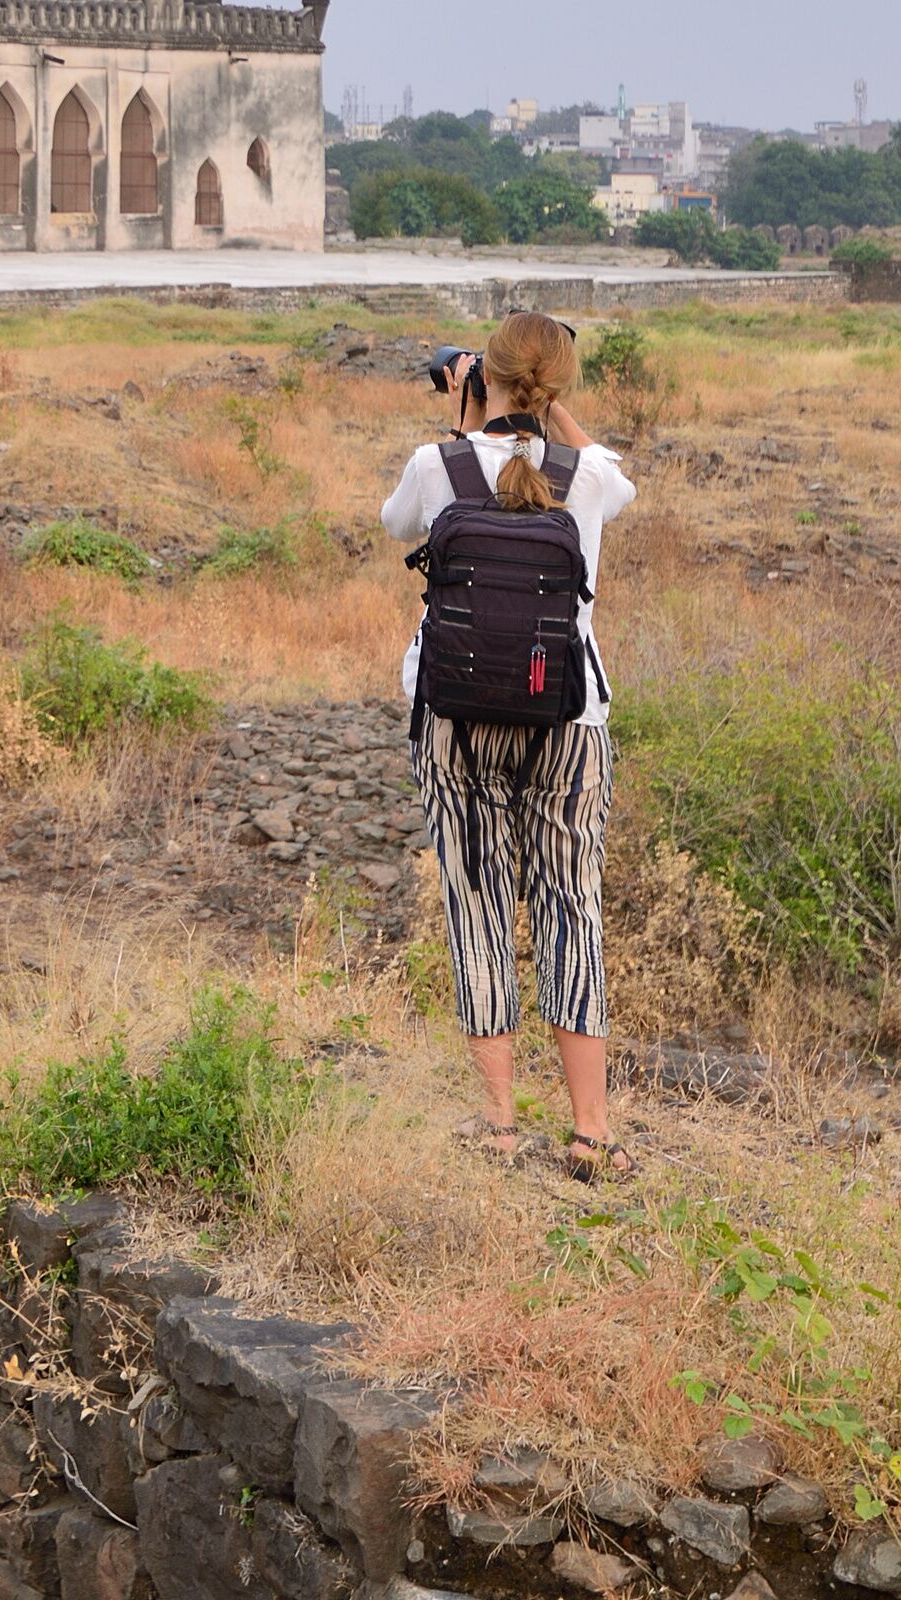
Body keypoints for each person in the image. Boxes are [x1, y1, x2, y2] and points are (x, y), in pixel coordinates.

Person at [380, 310, 637, 1181]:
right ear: (558, 387)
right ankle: (591, 1131)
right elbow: (612, 477)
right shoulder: (590, 473)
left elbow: (394, 523)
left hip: (455, 716)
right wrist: (553, 409)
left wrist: (462, 421)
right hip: (569, 719)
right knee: (572, 904)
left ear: (478, 375)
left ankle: (497, 1122)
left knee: (479, 899)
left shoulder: (438, 464)